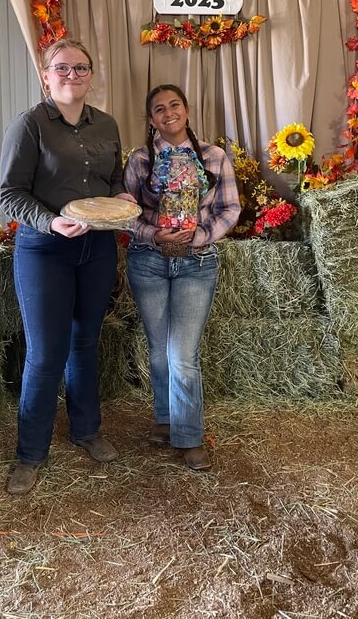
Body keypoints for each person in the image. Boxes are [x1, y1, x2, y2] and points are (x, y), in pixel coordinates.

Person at [0, 38, 135, 495]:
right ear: (46, 75)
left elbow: (113, 178)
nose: (72, 75)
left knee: (86, 342)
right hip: (44, 250)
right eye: (62, 68)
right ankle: (30, 453)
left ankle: (86, 431)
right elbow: (11, 195)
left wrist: (120, 196)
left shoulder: (107, 124)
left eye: (81, 68)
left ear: (91, 75)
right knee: (45, 352)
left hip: (95, 248)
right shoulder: (30, 126)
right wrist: (52, 222)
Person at [123, 85, 240, 470]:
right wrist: (153, 233)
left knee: (182, 354)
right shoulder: (141, 159)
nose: (168, 113)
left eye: (174, 105)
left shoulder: (213, 156)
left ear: (187, 110)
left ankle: (189, 437)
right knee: (159, 351)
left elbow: (229, 208)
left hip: (197, 262)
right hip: (148, 261)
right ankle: (165, 419)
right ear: (152, 119)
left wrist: (201, 237)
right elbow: (127, 213)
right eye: (159, 109)